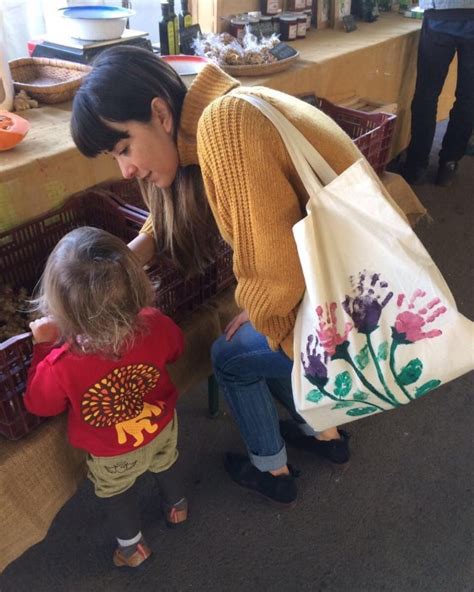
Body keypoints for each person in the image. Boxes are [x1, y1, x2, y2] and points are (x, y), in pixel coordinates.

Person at [70, 46, 365, 507]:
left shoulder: (224, 126)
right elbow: (203, 213)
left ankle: (273, 468)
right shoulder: (210, 118)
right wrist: (135, 251)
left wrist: (261, 310)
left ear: (161, 114)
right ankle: (323, 431)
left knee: (229, 354)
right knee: (251, 335)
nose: (126, 169)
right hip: (344, 277)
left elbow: (277, 274)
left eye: (124, 147)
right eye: (114, 157)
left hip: (351, 303)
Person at [24, 227, 186, 568]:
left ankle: (133, 549)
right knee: (167, 462)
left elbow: (40, 404)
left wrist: (42, 348)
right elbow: (176, 348)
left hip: (112, 452)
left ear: (61, 307)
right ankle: (177, 508)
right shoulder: (154, 323)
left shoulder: (60, 363)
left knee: (117, 493)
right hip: (161, 426)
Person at [400, 0, 474, 186]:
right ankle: (449, 162)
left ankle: (416, 164)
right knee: (468, 97)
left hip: (440, 15)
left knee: (427, 94)